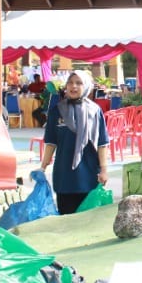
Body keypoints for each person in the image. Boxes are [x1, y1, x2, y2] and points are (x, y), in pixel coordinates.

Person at [40, 70, 110, 215]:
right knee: (66, 216)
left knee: (87, 219)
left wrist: (104, 170)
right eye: (70, 83)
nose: (74, 86)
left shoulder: (95, 111)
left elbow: (102, 144)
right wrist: (42, 167)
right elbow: (51, 142)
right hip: (64, 174)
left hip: (89, 174)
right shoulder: (57, 111)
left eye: (79, 83)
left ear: (87, 87)